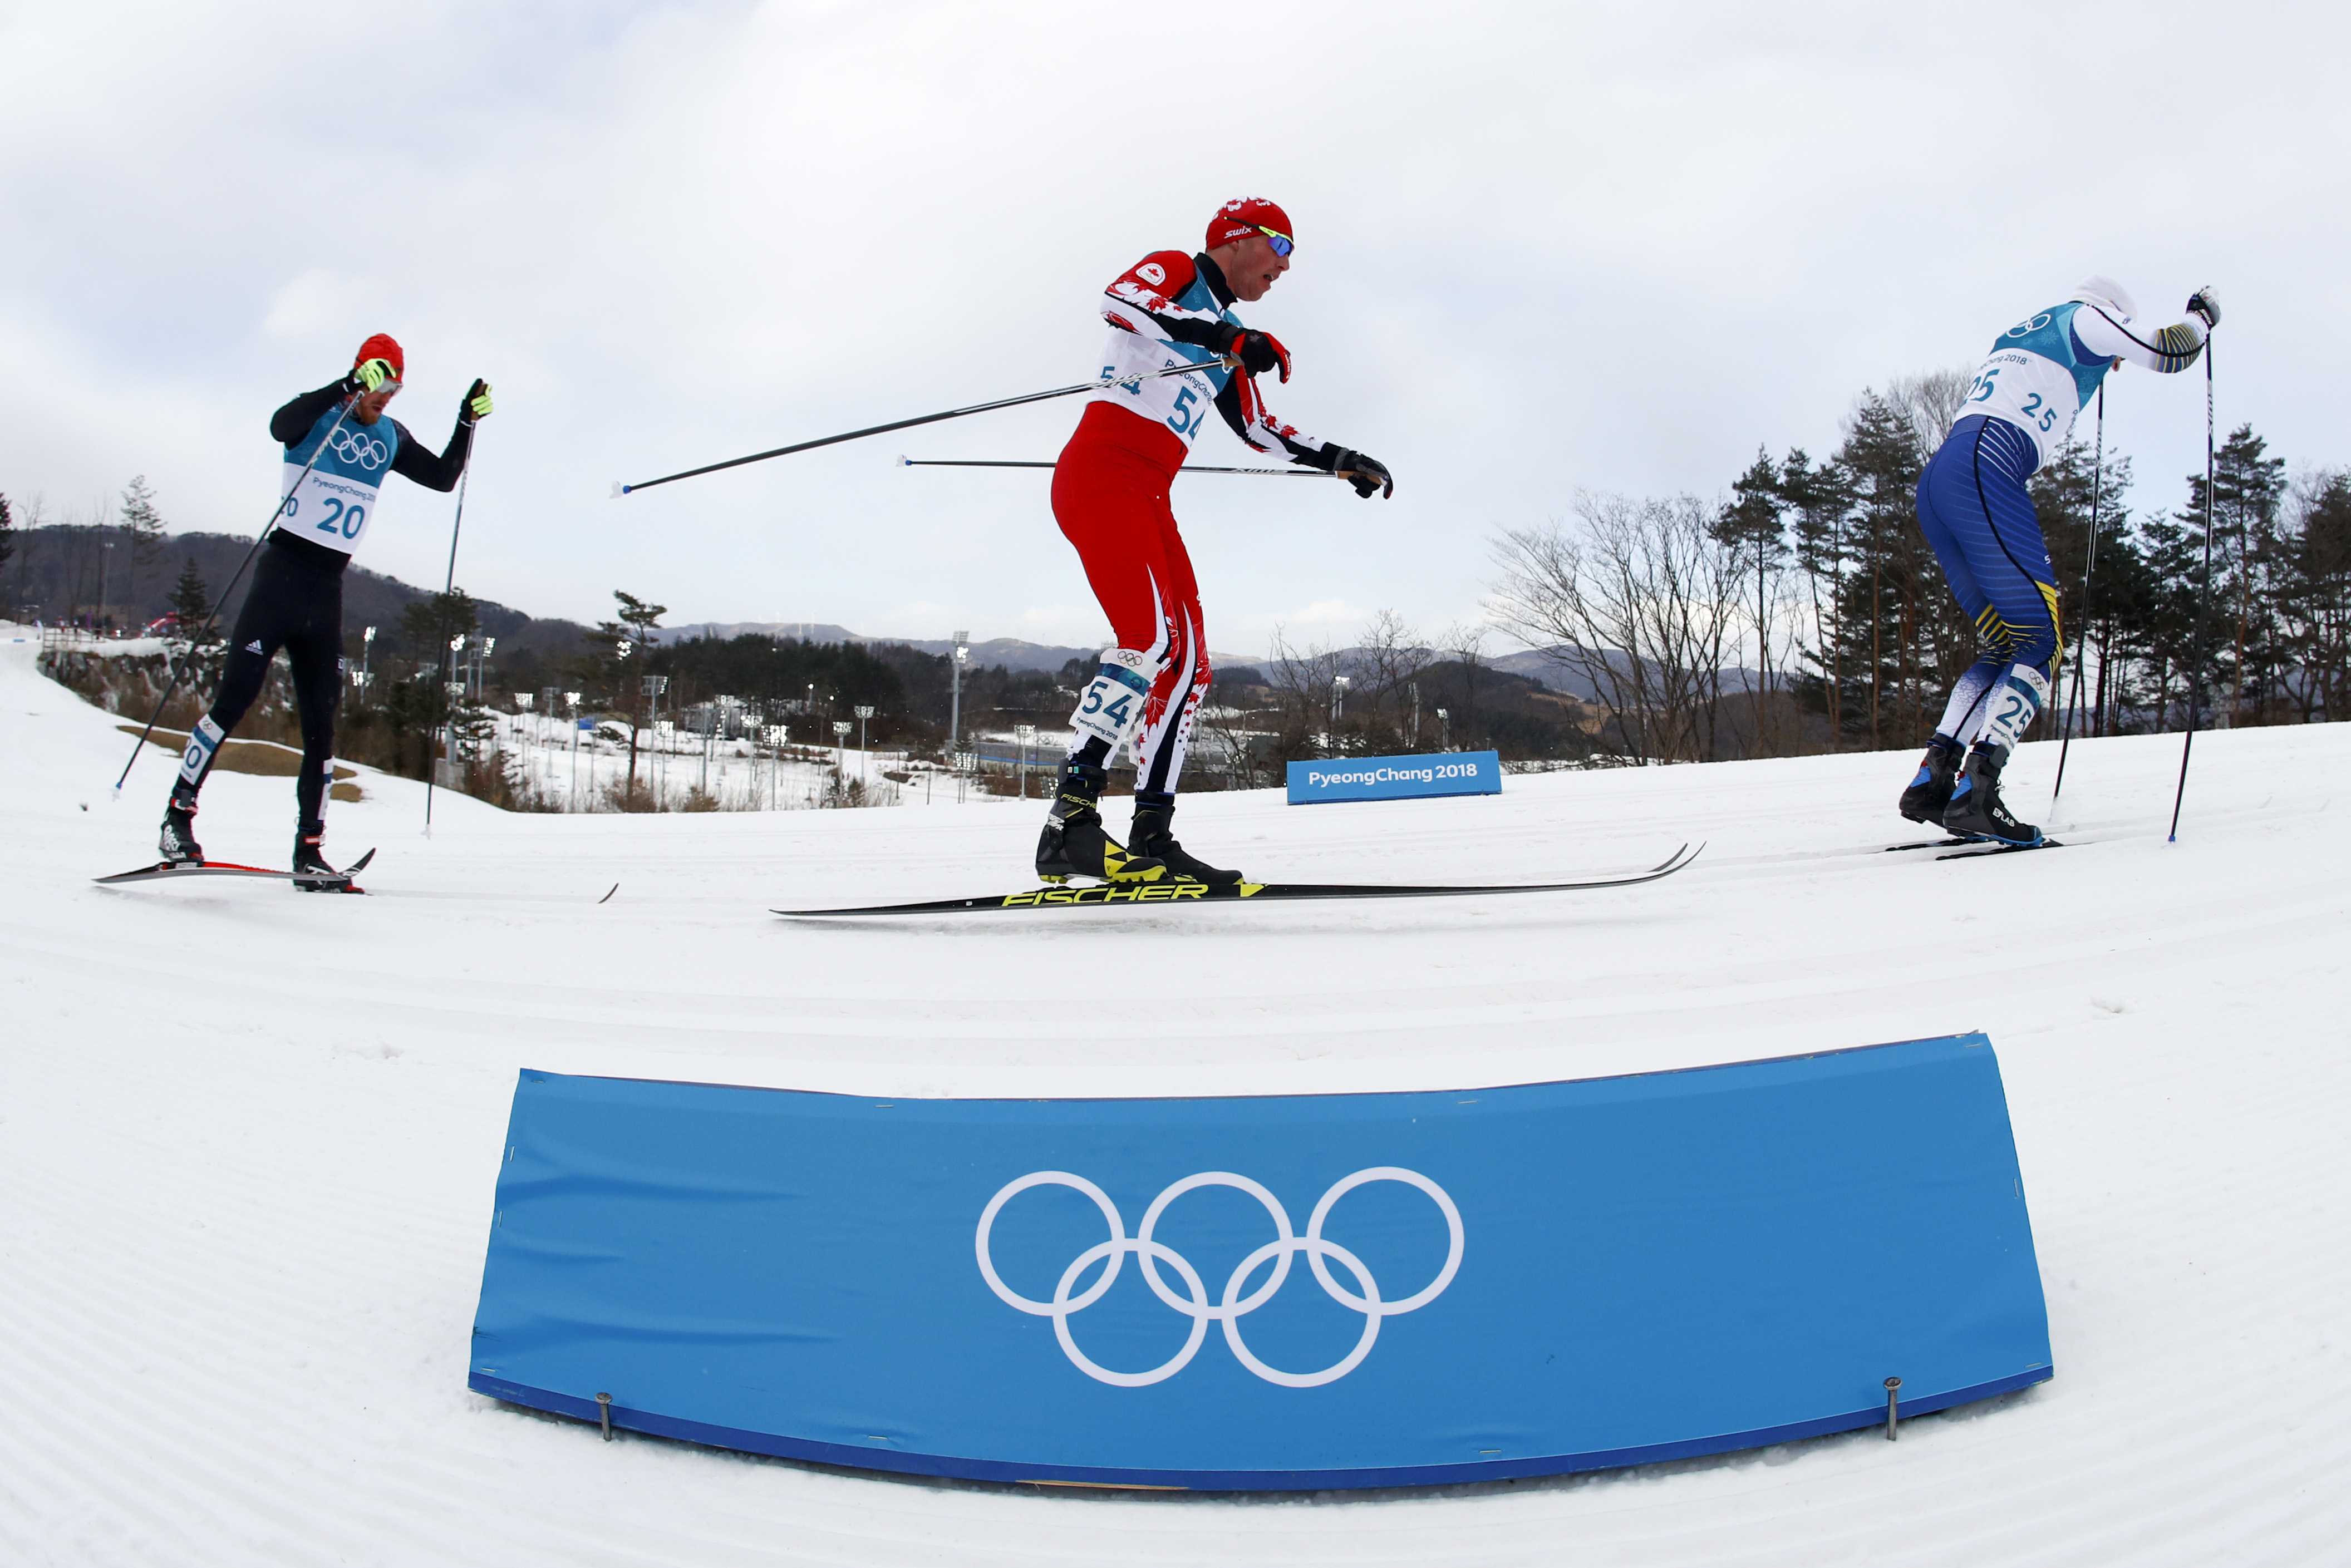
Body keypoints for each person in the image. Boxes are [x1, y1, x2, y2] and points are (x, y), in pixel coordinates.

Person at [1037, 198, 1393, 886]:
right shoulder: (1177, 272)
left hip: (1151, 494)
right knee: (1145, 641)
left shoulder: (1230, 333)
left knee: (1191, 662)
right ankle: (1069, 820)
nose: (1286, 266)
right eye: (1280, 248)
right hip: (1103, 475)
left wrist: (1338, 457)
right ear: (1239, 239)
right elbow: (1122, 304)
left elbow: (1258, 428)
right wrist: (1225, 340)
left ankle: (1152, 833)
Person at [158, 335, 492, 884]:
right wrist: (345, 385)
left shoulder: (389, 436)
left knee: (322, 725)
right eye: (380, 383)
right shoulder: (320, 416)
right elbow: (278, 425)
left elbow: (442, 477)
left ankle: (309, 849)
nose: (387, 396)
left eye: (396, 387)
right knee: (233, 700)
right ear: (362, 375)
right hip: (279, 580)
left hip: (326, 593)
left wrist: (466, 422)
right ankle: (177, 818)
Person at [1901, 278, 2218, 846]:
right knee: (2043, 642)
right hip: (1986, 471)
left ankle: (1935, 780)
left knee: (2006, 643)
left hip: (1942, 480)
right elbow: (2172, 351)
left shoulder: (2032, 330)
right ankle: (1978, 793)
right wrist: (2202, 319)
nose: (2117, 364)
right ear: (2115, 313)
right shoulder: (2089, 318)